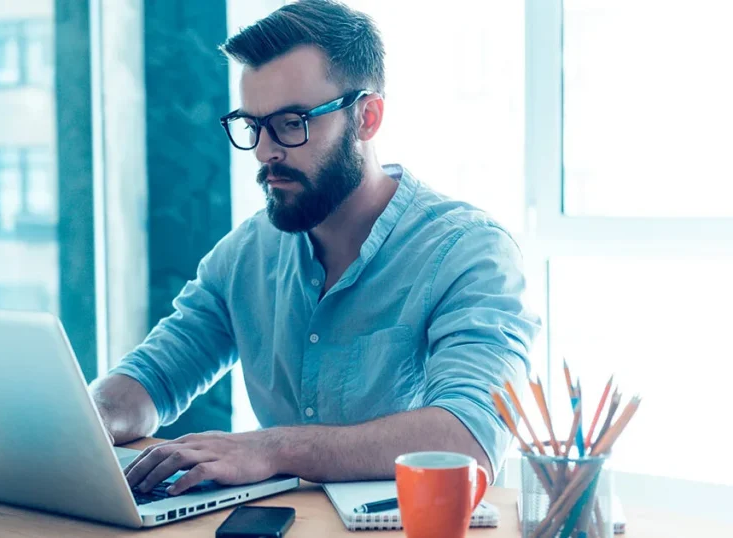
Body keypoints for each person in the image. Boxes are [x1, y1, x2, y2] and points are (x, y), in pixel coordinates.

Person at [90, 0, 541, 496]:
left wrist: (271, 448)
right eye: (252, 126)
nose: (265, 151)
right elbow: (154, 376)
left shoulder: (470, 253)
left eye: (291, 123)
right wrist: (88, 421)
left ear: (367, 118)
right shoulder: (246, 254)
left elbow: (468, 440)